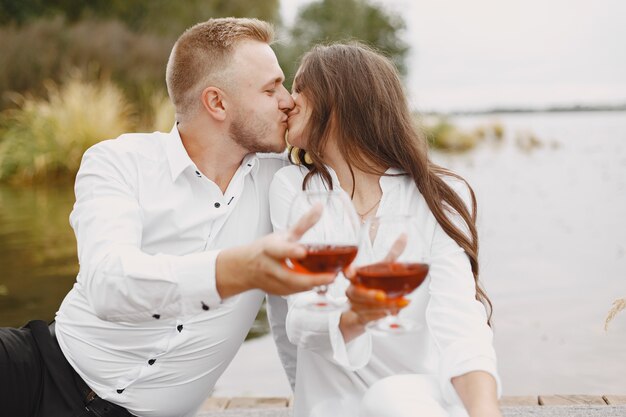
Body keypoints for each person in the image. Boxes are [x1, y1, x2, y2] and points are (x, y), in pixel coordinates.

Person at [0, 18, 335, 417]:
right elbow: (109, 282)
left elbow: (292, 325)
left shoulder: (283, 183)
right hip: (41, 369)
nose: (287, 100)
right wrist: (237, 270)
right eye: (270, 88)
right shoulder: (119, 161)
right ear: (217, 103)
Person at [268, 43, 502, 417]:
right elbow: (300, 318)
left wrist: (486, 412)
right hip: (333, 407)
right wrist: (356, 315)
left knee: (393, 396)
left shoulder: (437, 195)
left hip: (418, 401)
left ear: (340, 101)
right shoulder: (292, 188)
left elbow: (460, 321)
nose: (288, 101)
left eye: (299, 88)